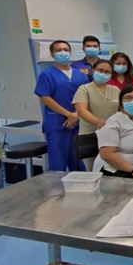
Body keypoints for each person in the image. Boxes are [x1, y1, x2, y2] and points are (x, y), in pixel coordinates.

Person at [34, 40, 89, 171]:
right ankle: (56, 185)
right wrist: (69, 114)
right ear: (52, 55)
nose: (63, 52)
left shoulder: (80, 75)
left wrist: (76, 115)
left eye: (66, 49)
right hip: (57, 124)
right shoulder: (47, 74)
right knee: (58, 164)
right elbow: (46, 99)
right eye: (59, 50)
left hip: (78, 123)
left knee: (79, 162)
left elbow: (87, 96)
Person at [93, 85, 133, 179]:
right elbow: (107, 154)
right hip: (117, 172)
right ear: (121, 103)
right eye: (127, 98)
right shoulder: (113, 123)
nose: (132, 101)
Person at [72, 59, 120, 171]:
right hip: (90, 135)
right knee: (92, 169)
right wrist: (98, 122)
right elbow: (81, 110)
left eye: (107, 72)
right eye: (100, 70)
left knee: (112, 168)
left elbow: (121, 110)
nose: (103, 74)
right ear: (93, 70)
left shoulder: (116, 90)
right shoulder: (84, 89)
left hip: (112, 136)